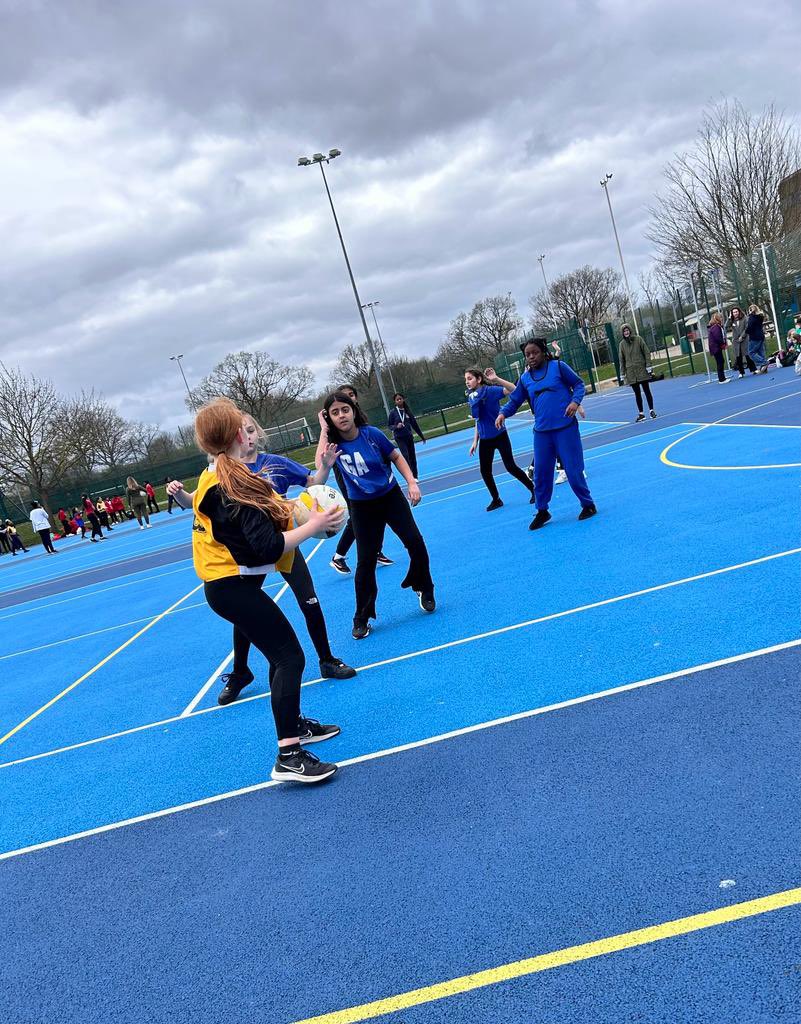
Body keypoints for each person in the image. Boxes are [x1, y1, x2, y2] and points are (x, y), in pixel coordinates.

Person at [182, 397, 343, 784]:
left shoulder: (222, 475)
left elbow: (265, 509)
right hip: (230, 586)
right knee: (290, 658)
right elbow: (267, 547)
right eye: (244, 424)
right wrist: (314, 524)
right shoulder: (230, 486)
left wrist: (300, 508)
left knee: (278, 656)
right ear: (239, 434)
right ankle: (288, 754)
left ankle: (295, 725)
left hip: (228, 583)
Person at [169, 412, 357, 704]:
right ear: (235, 438)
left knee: (308, 598)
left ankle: (327, 659)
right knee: (249, 611)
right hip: (248, 553)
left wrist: (325, 467)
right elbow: (196, 504)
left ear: (256, 433)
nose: (249, 435)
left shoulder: (274, 464)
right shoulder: (220, 473)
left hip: (281, 544)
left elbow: (313, 484)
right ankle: (241, 671)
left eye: (251, 429)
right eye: (243, 430)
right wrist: (180, 494)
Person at [322, 390, 435, 640]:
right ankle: (361, 617)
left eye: (345, 410)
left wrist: (412, 483)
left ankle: (425, 587)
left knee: (415, 542)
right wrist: (322, 428)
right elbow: (321, 461)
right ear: (329, 417)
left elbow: (396, 457)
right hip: (362, 506)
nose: (341, 415)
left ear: (353, 411)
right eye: (334, 412)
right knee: (365, 561)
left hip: (390, 495)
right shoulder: (333, 445)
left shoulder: (371, 434)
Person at [496, 338, 597, 531]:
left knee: (573, 469)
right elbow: (515, 401)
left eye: (534, 353)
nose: (531, 357)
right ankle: (542, 510)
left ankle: (588, 504)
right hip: (542, 433)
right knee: (541, 473)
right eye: (527, 355)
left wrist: (575, 402)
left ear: (543, 352)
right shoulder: (525, 379)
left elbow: (578, 385)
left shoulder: (559, 367)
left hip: (565, 428)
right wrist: (502, 413)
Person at [316, 383, 393, 577]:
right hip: (350, 479)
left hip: (373, 482)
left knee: (379, 514)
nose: (350, 397)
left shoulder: (360, 424)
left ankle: (375, 550)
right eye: (345, 395)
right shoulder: (335, 431)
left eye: (352, 395)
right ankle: (339, 555)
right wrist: (324, 429)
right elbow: (319, 463)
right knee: (356, 518)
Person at [465, 366, 534, 511]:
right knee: (485, 471)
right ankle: (496, 499)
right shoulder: (472, 397)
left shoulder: (491, 391)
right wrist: (474, 441)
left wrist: (496, 379)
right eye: (466, 379)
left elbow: (514, 389)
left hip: (500, 435)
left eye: (470, 378)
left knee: (510, 466)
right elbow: (478, 420)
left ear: (478, 379)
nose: (467, 382)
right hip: (485, 439)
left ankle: (534, 490)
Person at [619, 324, 658, 420]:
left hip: (641, 370)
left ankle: (651, 410)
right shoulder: (622, 345)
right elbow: (622, 359)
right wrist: (622, 373)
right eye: (624, 331)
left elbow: (646, 352)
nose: (626, 332)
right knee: (637, 394)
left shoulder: (638, 339)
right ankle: (641, 414)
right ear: (622, 333)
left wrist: (648, 366)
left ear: (630, 330)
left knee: (647, 390)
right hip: (631, 373)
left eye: (627, 330)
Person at [387, 394, 426, 481]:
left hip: (409, 437)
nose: (399, 401)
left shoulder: (407, 411)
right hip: (400, 438)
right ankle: (410, 476)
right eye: (397, 399)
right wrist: (396, 426)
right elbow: (389, 426)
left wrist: (422, 436)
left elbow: (414, 424)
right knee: (406, 456)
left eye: (400, 399)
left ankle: (415, 476)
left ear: (403, 399)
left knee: (412, 457)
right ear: (395, 402)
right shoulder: (393, 413)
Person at [726, 306, 756, 377]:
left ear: (739, 312)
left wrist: (742, 336)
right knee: (738, 357)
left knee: (748, 355)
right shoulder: (731, 320)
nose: (735, 313)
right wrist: (729, 318)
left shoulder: (745, 318)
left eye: (736, 312)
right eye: (733, 312)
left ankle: (754, 369)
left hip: (745, 340)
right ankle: (741, 372)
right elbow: (726, 326)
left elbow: (747, 328)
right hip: (736, 341)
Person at [707, 313, 729, 384]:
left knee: (720, 361)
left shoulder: (716, 326)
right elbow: (718, 337)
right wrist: (723, 344)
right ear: (717, 319)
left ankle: (722, 378)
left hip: (715, 347)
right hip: (715, 347)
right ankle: (721, 379)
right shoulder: (716, 327)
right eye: (720, 318)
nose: (722, 319)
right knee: (720, 362)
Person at [745, 305, 768, 373]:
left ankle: (764, 362)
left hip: (754, 337)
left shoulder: (752, 317)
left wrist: (747, 331)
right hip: (761, 335)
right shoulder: (760, 316)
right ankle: (764, 369)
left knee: (751, 352)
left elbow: (750, 327)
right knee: (761, 352)